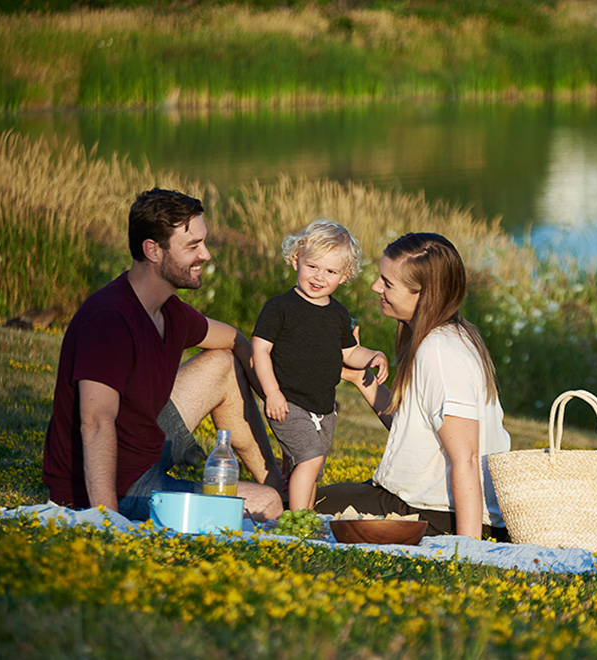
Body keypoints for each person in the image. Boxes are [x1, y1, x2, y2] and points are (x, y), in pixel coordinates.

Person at [43, 187, 284, 522]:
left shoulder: (169, 311)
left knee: (222, 364)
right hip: (115, 484)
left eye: (204, 242)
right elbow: (95, 422)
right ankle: (277, 499)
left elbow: (236, 340)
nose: (207, 255)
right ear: (153, 251)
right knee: (265, 504)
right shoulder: (109, 319)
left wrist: (276, 399)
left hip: (143, 446)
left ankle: (277, 482)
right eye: (193, 246)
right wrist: (107, 519)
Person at [314, 232, 510, 540]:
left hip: (436, 514)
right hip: (424, 504)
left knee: (295, 508)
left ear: (423, 295)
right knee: (305, 498)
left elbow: (467, 458)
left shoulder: (441, 351)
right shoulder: (449, 335)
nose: (375, 287)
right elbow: (413, 430)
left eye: (387, 283)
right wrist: (357, 376)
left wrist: (468, 548)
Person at [252, 220, 388, 512]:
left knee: (314, 469)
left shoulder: (338, 314)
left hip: (324, 409)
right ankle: (298, 523)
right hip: (288, 403)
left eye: (330, 271)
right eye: (312, 266)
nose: (319, 277)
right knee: (309, 459)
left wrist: (373, 355)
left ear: (345, 275)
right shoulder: (280, 307)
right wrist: (272, 393)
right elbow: (260, 350)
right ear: (295, 259)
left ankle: (303, 515)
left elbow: (350, 353)